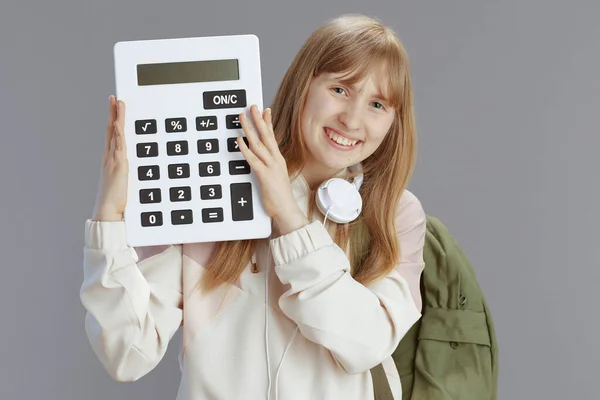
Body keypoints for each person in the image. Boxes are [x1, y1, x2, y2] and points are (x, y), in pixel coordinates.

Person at [80, 13, 427, 400]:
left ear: (394, 121)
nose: (352, 119)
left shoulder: (396, 215)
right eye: (340, 90)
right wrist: (108, 218)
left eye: (377, 104)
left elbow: (365, 345)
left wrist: (289, 219)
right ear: (304, 85)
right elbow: (127, 353)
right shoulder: (212, 189)